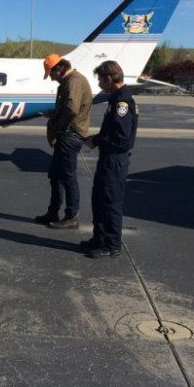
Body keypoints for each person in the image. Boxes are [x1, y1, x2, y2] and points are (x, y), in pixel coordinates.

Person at [82, 60, 138, 259]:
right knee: (99, 199)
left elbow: (120, 137)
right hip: (108, 158)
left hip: (115, 160)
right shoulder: (116, 99)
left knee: (110, 202)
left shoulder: (122, 102)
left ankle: (111, 244)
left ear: (108, 79)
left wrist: (96, 140)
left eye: (100, 81)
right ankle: (100, 238)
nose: (99, 85)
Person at [34, 54, 93, 229]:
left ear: (58, 69)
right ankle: (53, 211)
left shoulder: (73, 81)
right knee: (56, 176)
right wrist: (55, 114)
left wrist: (59, 126)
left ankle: (71, 216)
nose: (51, 79)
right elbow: (67, 108)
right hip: (67, 134)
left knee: (67, 177)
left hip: (69, 134)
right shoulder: (70, 81)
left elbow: (72, 109)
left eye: (51, 75)